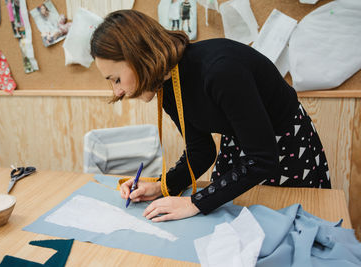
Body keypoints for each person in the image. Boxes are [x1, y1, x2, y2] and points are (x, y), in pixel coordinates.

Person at [90, 10, 331, 222]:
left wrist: (195, 202)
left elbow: (263, 160)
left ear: (138, 56)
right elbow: (200, 152)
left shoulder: (220, 71)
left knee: (289, 226)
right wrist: (162, 186)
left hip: (286, 148)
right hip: (243, 149)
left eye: (116, 79)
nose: (118, 91)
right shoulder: (168, 83)